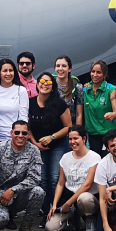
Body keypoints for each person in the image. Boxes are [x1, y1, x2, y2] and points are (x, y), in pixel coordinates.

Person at [0, 120, 45, 231]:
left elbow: (35, 178)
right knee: (0, 220)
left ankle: (25, 229)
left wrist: (14, 190)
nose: (20, 135)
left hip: (18, 195)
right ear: (11, 133)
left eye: (24, 133)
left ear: (29, 135)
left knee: (38, 192)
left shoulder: (34, 151)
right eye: (17, 132)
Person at [27, 72, 71, 216]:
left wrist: (52, 137)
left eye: (49, 82)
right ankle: (46, 211)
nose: (45, 84)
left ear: (53, 87)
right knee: (42, 179)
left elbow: (68, 126)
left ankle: (56, 208)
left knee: (54, 178)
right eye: (42, 81)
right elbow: (27, 126)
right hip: (37, 145)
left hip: (57, 144)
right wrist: (35, 144)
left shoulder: (59, 103)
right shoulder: (30, 102)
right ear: (37, 84)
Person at [45, 127, 99, 231]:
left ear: (84, 139)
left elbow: (87, 185)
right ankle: (71, 217)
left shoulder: (94, 157)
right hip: (68, 195)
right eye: (70, 139)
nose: (72, 142)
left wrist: (67, 204)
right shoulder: (65, 157)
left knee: (84, 198)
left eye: (76, 138)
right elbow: (60, 183)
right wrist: (54, 205)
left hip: (87, 197)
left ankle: (89, 218)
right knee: (50, 228)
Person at [82, 59, 116, 153]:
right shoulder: (85, 90)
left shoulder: (110, 89)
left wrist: (113, 114)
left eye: (99, 72)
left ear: (104, 75)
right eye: (93, 71)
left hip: (109, 133)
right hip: (92, 134)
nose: (95, 75)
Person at [0, 58, 29, 140]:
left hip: (14, 138)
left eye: (11, 70)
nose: (8, 73)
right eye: (5, 71)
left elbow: (23, 117)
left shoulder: (21, 90)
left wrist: (18, 135)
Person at [53, 56, 83, 127]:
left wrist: (77, 132)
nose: (60, 68)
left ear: (69, 69)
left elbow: (79, 114)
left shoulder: (77, 87)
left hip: (71, 126)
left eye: (64, 66)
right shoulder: (50, 84)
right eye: (58, 66)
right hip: (54, 127)